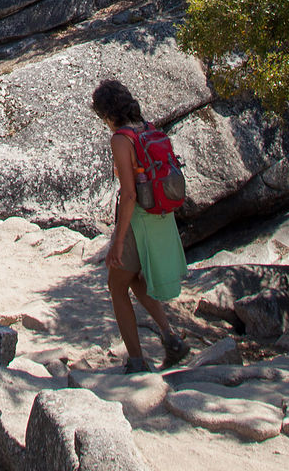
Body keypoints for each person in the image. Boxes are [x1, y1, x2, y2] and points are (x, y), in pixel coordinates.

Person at [91, 78, 189, 373]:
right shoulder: (149, 130)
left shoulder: (121, 139)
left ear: (107, 113)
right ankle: (171, 339)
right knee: (133, 279)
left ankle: (137, 361)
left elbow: (130, 193)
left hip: (138, 221)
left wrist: (117, 241)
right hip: (161, 215)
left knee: (115, 285)